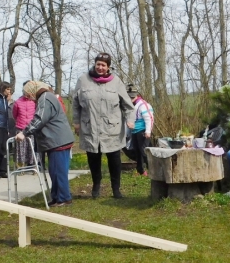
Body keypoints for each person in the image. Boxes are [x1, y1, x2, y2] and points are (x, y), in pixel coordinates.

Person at [72, 53, 134, 199]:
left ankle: (116, 190)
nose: (100, 67)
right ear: (95, 64)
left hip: (111, 129)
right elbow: (75, 104)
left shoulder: (116, 82)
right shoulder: (83, 80)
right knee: (94, 160)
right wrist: (76, 122)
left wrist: (130, 120)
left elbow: (128, 105)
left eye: (103, 65)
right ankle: (96, 187)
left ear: (108, 67)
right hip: (90, 128)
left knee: (114, 161)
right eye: (98, 64)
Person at [17, 81, 75, 206]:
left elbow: (40, 118)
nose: (28, 98)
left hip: (58, 140)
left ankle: (64, 198)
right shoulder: (46, 97)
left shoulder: (45, 98)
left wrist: (24, 132)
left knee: (58, 171)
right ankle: (57, 197)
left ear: (33, 90)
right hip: (56, 140)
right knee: (54, 171)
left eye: (28, 94)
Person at [127, 85, 154, 177]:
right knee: (137, 151)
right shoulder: (131, 105)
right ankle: (140, 170)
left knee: (144, 151)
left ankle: (153, 170)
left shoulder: (143, 105)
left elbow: (149, 118)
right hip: (134, 131)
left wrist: (148, 131)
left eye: (132, 97)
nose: (130, 98)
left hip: (142, 131)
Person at [12, 81, 37, 166]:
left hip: (31, 128)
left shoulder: (34, 101)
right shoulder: (18, 102)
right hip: (20, 127)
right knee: (20, 148)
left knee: (32, 147)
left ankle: (33, 165)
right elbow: (14, 115)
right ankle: (20, 166)